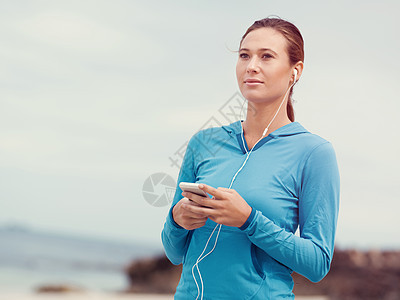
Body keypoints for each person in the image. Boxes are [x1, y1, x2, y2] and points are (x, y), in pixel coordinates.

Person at [161, 17, 340, 300]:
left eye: (266, 56)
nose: (251, 66)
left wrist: (249, 220)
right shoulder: (205, 143)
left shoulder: (314, 153)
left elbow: (318, 264)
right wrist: (177, 219)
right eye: (244, 55)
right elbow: (173, 252)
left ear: (295, 71)